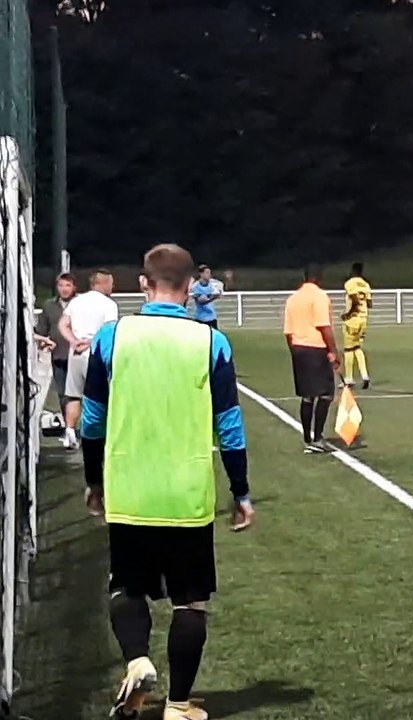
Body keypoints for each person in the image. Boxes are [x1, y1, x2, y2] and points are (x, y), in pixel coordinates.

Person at [80, 243, 253, 720]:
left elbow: (91, 420)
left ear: (143, 282)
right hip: (186, 494)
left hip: (129, 487)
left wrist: (94, 479)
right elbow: (230, 425)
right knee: (190, 601)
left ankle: (137, 660)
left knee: (126, 588)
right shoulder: (210, 342)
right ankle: (178, 704)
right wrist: (240, 491)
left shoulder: (112, 337)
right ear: (190, 286)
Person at [58, 269, 118, 450]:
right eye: (111, 283)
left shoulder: (76, 302)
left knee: (73, 395)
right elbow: (109, 331)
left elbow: (63, 324)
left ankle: (69, 432)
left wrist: (74, 341)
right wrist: (90, 342)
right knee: (102, 396)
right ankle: (100, 436)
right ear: (103, 283)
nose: (113, 287)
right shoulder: (109, 304)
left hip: (75, 353)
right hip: (96, 354)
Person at [284, 265, 341, 452]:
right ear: (319, 279)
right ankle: (317, 437)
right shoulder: (319, 297)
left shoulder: (293, 299)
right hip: (316, 348)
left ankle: (308, 437)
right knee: (325, 394)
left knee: (307, 396)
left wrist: (294, 349)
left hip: (298, 347)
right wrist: (333, 351)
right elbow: (324, 326)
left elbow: (288, 331)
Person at [33, 273, 77, 434]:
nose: (64, 289)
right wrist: (45, 341)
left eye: (68, 285)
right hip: (59, 355)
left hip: (80, 355)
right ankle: (68, 427)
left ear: (74, 287)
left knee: (80, 392)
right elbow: (40, 331)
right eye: (61, 285)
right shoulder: (49, 306)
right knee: (63, 392)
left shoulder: (80, 304)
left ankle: (79, 427)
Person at [342, 262, 373, 388]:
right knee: (357, 348)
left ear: (353, 271)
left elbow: (354, 298)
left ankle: (349, 379)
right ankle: (365, 375)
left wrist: (348, 313)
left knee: (348, 349)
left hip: (353, 319)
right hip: (363, 319)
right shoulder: (366, 284)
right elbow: (370, 303)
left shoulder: (350, 283)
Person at [189, 265, 222, 329]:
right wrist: (214, 297)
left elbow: (217, 292)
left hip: (212, 317)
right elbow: (201, 301)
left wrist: (217, 294)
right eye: (207, 272)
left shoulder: (212, 285)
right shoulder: (196, 286)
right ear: (201, 274)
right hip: (200, 318)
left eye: (209, 273)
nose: (209, 275)